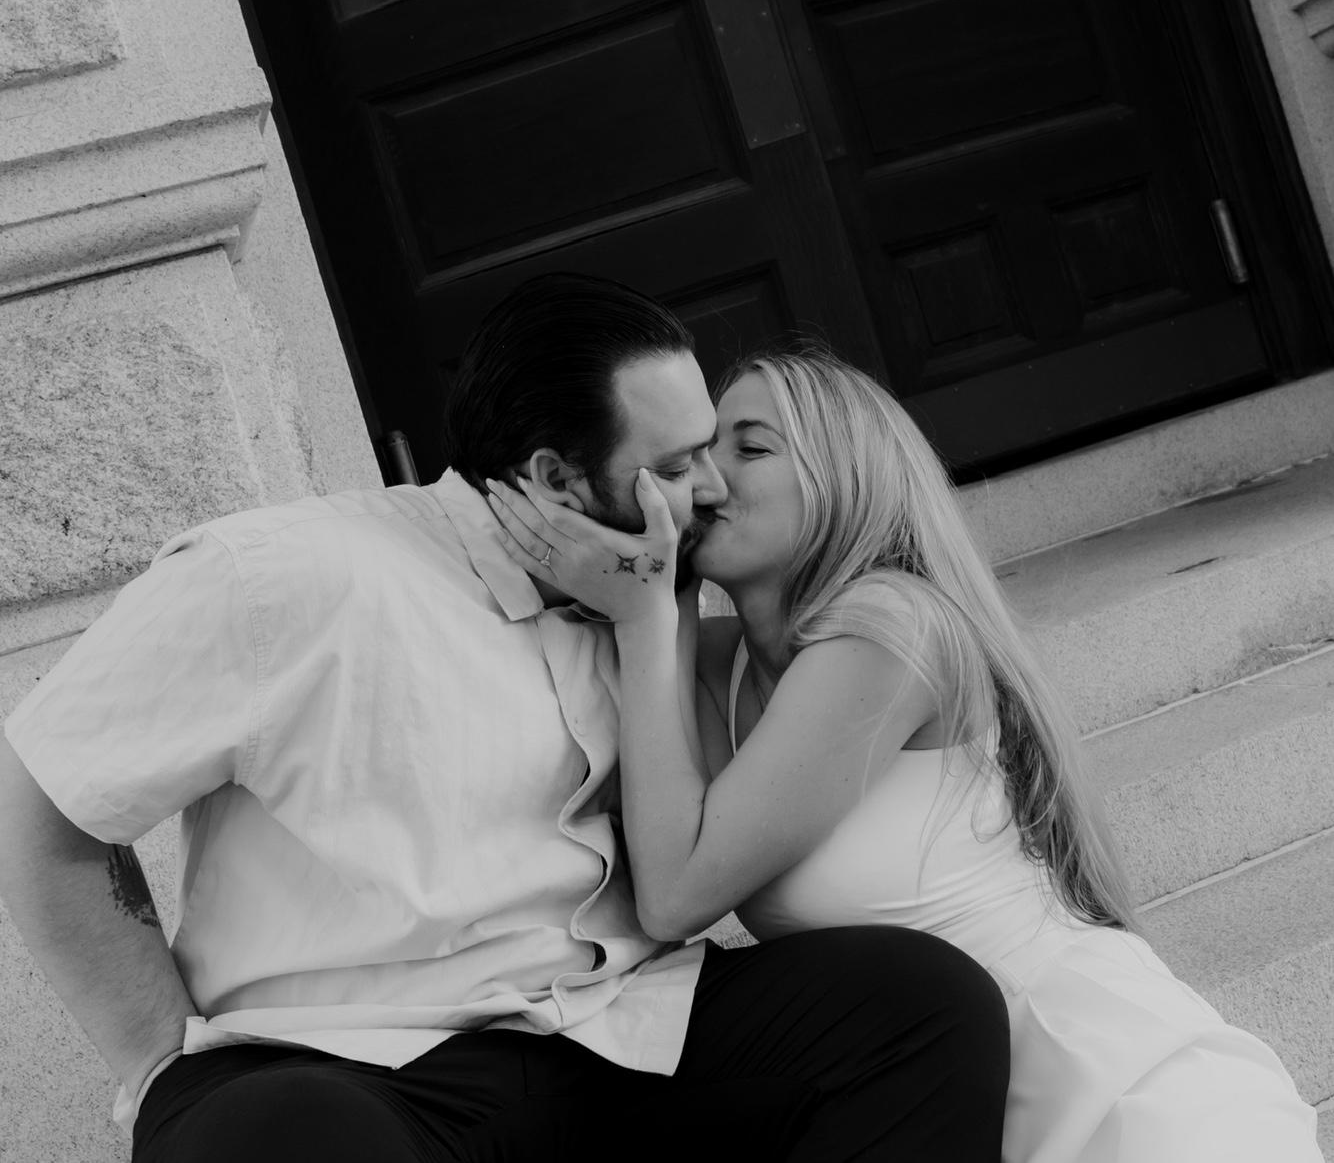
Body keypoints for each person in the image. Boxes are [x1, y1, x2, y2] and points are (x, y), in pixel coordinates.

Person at [0, 276, 1010, 1163]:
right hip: (353, 1062)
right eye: (672, 466)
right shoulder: (283, 576)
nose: (707, 490)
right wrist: (156, 1059)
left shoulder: (647, 597)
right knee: (271, 1135)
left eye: (709, 451)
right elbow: (43, 798)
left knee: (918, 1004)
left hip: (616, 1028)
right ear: (555, 479)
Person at [488, 343, 1322, 1163]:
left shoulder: (891, 629)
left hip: (1111, 1088)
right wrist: (656, 599)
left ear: (843, 477)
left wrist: (646, 618)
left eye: (751, 448)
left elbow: (675, 898)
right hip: (951, 1104)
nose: (705, 483)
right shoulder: (722, 667)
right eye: (697, 456)